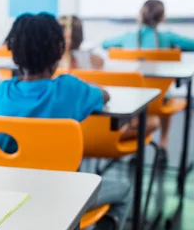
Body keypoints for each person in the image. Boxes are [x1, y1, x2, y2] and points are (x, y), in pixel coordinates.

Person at [0, 13, 132, 230]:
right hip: (61, 200)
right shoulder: (70, 90)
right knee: (123, 191)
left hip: (6, 197)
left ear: (12, 52)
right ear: (59, 51)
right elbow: (105, 96)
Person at [101, 0, 194, 155]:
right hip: (158, 99)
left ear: (140, 15)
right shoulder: (167, 37)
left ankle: (132, 136)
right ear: (162, 17)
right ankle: (163, 143)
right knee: (166, 94)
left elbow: (104, 44)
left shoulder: (128, 38)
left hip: (130, 98)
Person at [59, 14, 160, 142]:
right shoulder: (96, 60)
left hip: (67, 138)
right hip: (107, 136)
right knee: (154, 121)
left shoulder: (51, 69)